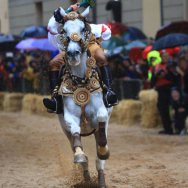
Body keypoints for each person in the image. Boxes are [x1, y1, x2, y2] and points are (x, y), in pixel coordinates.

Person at [43, 3, 118, 113]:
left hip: (90, 46)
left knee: (101, 57)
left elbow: (107, 31)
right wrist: (68, 10)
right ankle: (55, 99)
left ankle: (109, 92)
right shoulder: (62, 28)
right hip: (70, 49)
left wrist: (98, 41)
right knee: (52, 63)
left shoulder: (93, 27)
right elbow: (50, 27)